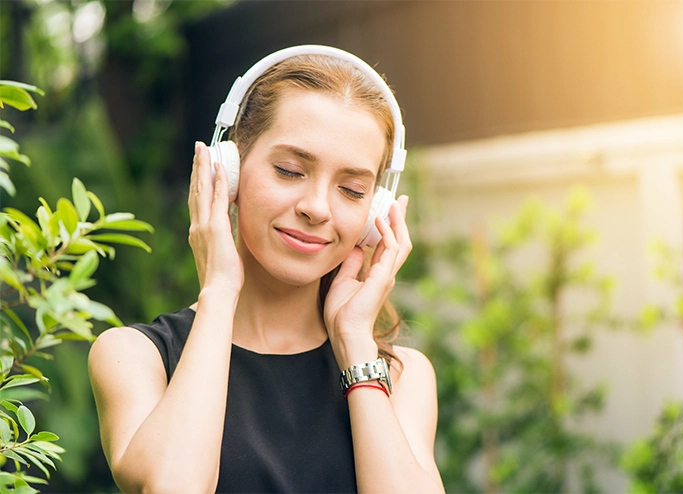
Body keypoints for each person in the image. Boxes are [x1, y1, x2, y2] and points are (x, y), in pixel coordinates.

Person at [88, 45, 444, 493]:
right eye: (290, 170)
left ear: (376, 212)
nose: (316, 208)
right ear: (228, 170)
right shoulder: (135, 356)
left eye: (352, 190)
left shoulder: (400, 375)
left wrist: (355, 345)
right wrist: (218, 292)